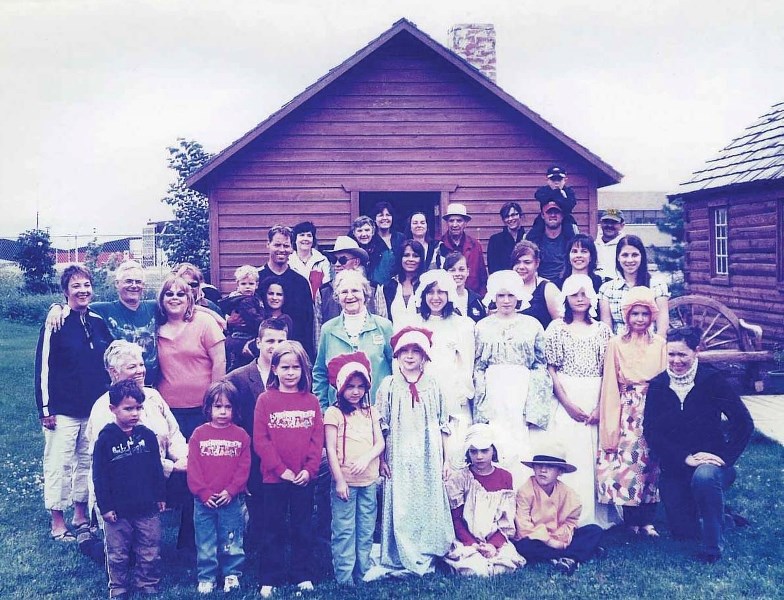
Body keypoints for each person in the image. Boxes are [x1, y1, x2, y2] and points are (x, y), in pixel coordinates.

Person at [644, 326, 754, 563]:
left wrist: (723, 457)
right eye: (671, 354)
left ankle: (712, 547)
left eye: (682, 354)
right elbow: (652, 432)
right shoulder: (658, 385)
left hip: (711, 466)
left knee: (704, 478)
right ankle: (724, 517)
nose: (676, 360)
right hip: (677, 467)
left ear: (696, 351)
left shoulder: (712, 380)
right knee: (683, 532)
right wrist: (684, 457)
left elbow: (743, 423)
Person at [35, 264, 113, 542]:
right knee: (59, 463)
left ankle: (81, 514)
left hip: (92, 409)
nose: (83, 291)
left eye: (86, 285)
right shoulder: (56, 321)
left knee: (87, 461)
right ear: (66, 291)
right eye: (76, 286)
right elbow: (43, 366)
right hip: (62, 409)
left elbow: (109, 360)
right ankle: (58, 520)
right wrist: (45, 408)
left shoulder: (97, 321)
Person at [371, 326, 454, 578]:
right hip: (399, 453)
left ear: (424, 357)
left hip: (428, 454)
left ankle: (427, 550)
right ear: (396, 356)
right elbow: (380, 425)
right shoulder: (388, 386)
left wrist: (446, 460)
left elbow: (443, 425)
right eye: (404, 351)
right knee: (402, 502)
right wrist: (382, 458)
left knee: (427, 500)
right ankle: (402, 553)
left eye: (415, 351)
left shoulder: (434, 385)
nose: (409, 356)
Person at [156, 273, 226, 549]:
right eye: (169, 294)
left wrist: (215, 401)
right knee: (175, 472)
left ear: (191, 298)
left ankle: (194, 538)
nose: (175, 298)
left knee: (201, 470)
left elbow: (219, 361)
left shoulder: (204, 322)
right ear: (161, 300)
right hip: (169, 413)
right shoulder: (156, 325)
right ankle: (156, 537)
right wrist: (59, 306)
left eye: (181, 294)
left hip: (202, 409)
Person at [544, 275, 617, 528]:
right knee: (569, 450)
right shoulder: (555, 329)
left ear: (592, 298)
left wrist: (599, 406)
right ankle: (564, 514)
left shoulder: (603, 331)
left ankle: (593, 514)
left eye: (584, 294)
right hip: (565, 394)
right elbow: (550, 369)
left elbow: (609, 371)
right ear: (566, 298)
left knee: (592, 455)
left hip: (595, 393)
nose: (579, 299)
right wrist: (565, 402)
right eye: (574, 294)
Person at [254, 342, 324, 597]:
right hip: (274, 479)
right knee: (272, 528)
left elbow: (317, 440)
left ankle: (302, 574)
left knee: (302, 526)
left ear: (304, 370)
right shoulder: (265, 400)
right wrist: (280, 469)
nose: (291, 372)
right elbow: (261, 439)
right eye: (285, 367)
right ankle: (269, 577)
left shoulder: (312, 401)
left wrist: (310, 470)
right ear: (275, 369)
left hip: (304, 479)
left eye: (296, 367)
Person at [596, 286, 667, 536]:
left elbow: (664, 380)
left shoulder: (660, 344)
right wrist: (610, 421)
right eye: (635, 314)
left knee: (650, 463)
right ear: (626, 316)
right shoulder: (615, 344)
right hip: (627, 409)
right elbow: (610, 383)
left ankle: (648, 519)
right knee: (627, 465)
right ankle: (631, 520)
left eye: (644, 314)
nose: (639, 319)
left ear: (651, 316)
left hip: (653, 405)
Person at [473, 270, 554, 486]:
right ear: (493, 297)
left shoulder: (532, 325)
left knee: (521, 443)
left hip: (522, 390)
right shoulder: (482, 327)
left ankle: (523, 496)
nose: (506, 301)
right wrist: (482, 403)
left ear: (518, 296)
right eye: (501, 296)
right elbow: (478, 367)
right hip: (494, 390)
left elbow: (540, 364)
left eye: (511, 295)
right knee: (496, 438)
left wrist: (534, 403)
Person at [92, 379, 166, 598]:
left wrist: (160, 495)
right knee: (117, 553)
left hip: (147, 507)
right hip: (118, 511)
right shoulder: (105, 441)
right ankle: (118, 587)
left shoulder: (147, 436)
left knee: (149, 549)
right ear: (112, 409)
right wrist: (106, 507)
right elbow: (99, 477)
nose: (135, 413)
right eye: (128, 408)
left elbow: (156, 468)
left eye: (138, 408)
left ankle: (147, 582)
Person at [225, 318, 288, 550]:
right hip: (252, 457)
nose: (276, 345)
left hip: (287, 453)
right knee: (260, 520)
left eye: (281, 340)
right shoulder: (237, 378)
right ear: (258, 342)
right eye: (270, 340)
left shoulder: (295, 374)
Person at [45, 260, 160, 385]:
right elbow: (77, 305)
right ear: (117, 284)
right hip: (120, 387)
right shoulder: (102, 310)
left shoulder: (155, 307)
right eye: (128, 281)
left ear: (143, 285)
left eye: (138, 282)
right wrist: (57, 307)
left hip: (153, 385)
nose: (134, 285)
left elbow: (177, 300)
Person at [324, 352, 384, 586]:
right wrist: (339, 480)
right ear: (340, 387)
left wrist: (367, 459)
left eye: (360, 386)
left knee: (366, 527)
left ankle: (363, 572)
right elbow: (330, 448)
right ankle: (345, 575)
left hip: (369, 480)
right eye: (350, 387)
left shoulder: (371, 412)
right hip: (345, 484)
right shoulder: (334, 413)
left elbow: (379, 442)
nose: (356, 392)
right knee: (344, 528)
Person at [187, 381, 251, 594]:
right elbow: (193, 468)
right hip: (204, 501)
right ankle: (207, 576)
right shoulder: (198, 434)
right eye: (218, 406)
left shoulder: (241, 436)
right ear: (208, 408)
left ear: (235, 409)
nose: (223, 411)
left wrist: (231, 491)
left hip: (230, 500)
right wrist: (203, 493)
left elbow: (244, 469)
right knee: (205, 540)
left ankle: (232, 574)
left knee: (231, 537)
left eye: (228, 407)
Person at [443, 424, 525, 577]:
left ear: (493, 450)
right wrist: (473, 544)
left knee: (503, 566)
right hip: (467, 539)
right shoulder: (460, 478)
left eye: (484, 450)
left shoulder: (505, 477)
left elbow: (506, 520)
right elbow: (456, 519)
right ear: (468, 453)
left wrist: (493, 545)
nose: (479, 456)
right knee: (475, 570)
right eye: (473, 451)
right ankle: (475, 559)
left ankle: (493, 554)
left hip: (495, 537)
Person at [413, 269, 475, 468]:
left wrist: (461, 394)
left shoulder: (463, 325)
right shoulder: (414, 324)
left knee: (454, 454)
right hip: (422, 395)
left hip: (453, 397)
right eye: (430, 292)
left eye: (441, 292)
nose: (436, 297)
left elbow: (467, 364)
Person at [512, 441, 603, 576]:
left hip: (560, 537)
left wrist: (561, 541)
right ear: (533, 468)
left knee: (594, 530)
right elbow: (524, 527)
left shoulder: (569, 494)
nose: (543, 470)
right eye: (539, 465)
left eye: (549, 466)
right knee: (523, 546)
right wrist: (548, 541)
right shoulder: (525, 491)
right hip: (536, 538)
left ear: (560, 471)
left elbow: (571, 522)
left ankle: (566, 557)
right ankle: (576, 555)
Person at [312, 270, 394, 411]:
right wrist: (324, 410)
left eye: (355, 291)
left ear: (365, 294)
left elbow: (396, 368)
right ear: (337, 297)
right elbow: (320, 373)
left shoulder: (384, 326)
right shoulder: (328, 329)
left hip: (378, 411)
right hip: (339, 413)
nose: (350, 296)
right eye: (344, 292)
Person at [257, 224, 316, 361]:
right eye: (277, 245)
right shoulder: (256, 280)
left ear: (292, 248)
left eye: (286, 246)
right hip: (263, 356)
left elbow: (308, 325)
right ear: (268, 244)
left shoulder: (301, 283)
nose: (282, 250)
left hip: (293, 358)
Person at [315, 235, 387, 343]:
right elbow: (318, 330)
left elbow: (383, 323)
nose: (337, 264)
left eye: (342, 260)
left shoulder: (374, 289)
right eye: (334, 260)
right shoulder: (323, 291)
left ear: (356, 262)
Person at [599, 235, 669, 335]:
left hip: (650, 347)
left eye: (635, 255)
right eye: (625, 255)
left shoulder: (657, 285)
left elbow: (663, 328)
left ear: (642, 257)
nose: (630, 260)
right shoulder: (607, 289)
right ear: (618, 257)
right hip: (619, 348)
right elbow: (607, 331)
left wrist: (655, 349)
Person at [219, 265, 264, 373]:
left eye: (251, 284)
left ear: (256, 285)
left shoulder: (254, 298)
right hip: (242, 336)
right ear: (237, 285)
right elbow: (253, 319)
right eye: (243, 284)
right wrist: (266, 323)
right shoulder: (244, 301)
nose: (247, 287)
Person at [525, 191, 577, 282]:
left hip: (567, 282)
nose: (553, 215)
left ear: (562, 215)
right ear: (542, 215)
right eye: (549, 212)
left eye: (556, 212)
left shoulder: (572, 239)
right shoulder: (531, 240)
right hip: (539, 284)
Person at [510, 240, 562, 331]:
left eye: (527, 262)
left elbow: (560, 325)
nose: (521, 267)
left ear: (537, 263)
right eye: (517, 262)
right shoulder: (505, 288)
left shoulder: (548, 289)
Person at [438, 203, 488, 295]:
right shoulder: (439, 245)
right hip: (447, 298)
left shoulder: (475, 245)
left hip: (472, 297)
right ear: (447, 223)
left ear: (465, 223)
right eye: (451, 221)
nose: (455, 224)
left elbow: (482, 277)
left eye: (459, 221)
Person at [382, 239, 426, 329]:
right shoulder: (389, 286)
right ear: (400, 258)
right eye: (406, 255)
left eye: (415, 256)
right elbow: (383, 319)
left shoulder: (426, 284)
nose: (410, 259)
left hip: (423, 339)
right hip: (394, 340)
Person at [288, 220, 331, 300]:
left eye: (309, 235)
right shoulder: (288, 262)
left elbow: (326, 288)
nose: (305, 239)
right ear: (295, 239)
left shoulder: (322, 260)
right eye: (302, 235)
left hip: (318, 307)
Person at [349, 215, 395, 286]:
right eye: (359, 231)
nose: (363, 234)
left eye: (367, 230)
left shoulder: (384, 252)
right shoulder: (349, 253)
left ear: (373, 232)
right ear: (354, 233)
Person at [444, 251, 486, 322]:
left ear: (468, 272)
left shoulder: (476, 300)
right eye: (452, 270)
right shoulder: (441, 300)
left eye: (461, 269)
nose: (457, 274)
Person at [487, 202, 526, 274]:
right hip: (504, 282)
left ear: (520, 215)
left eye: (514, 215)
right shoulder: (495, 240)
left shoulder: (529, 238)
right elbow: (493, 269)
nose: (510, 219)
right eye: (507, 216)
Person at [594, 208, 626, 281]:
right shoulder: (594, 246)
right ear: (600, 223)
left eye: (614, 222)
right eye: (606, 222)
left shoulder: (626, 247)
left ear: (622, 225)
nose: (609, 225)